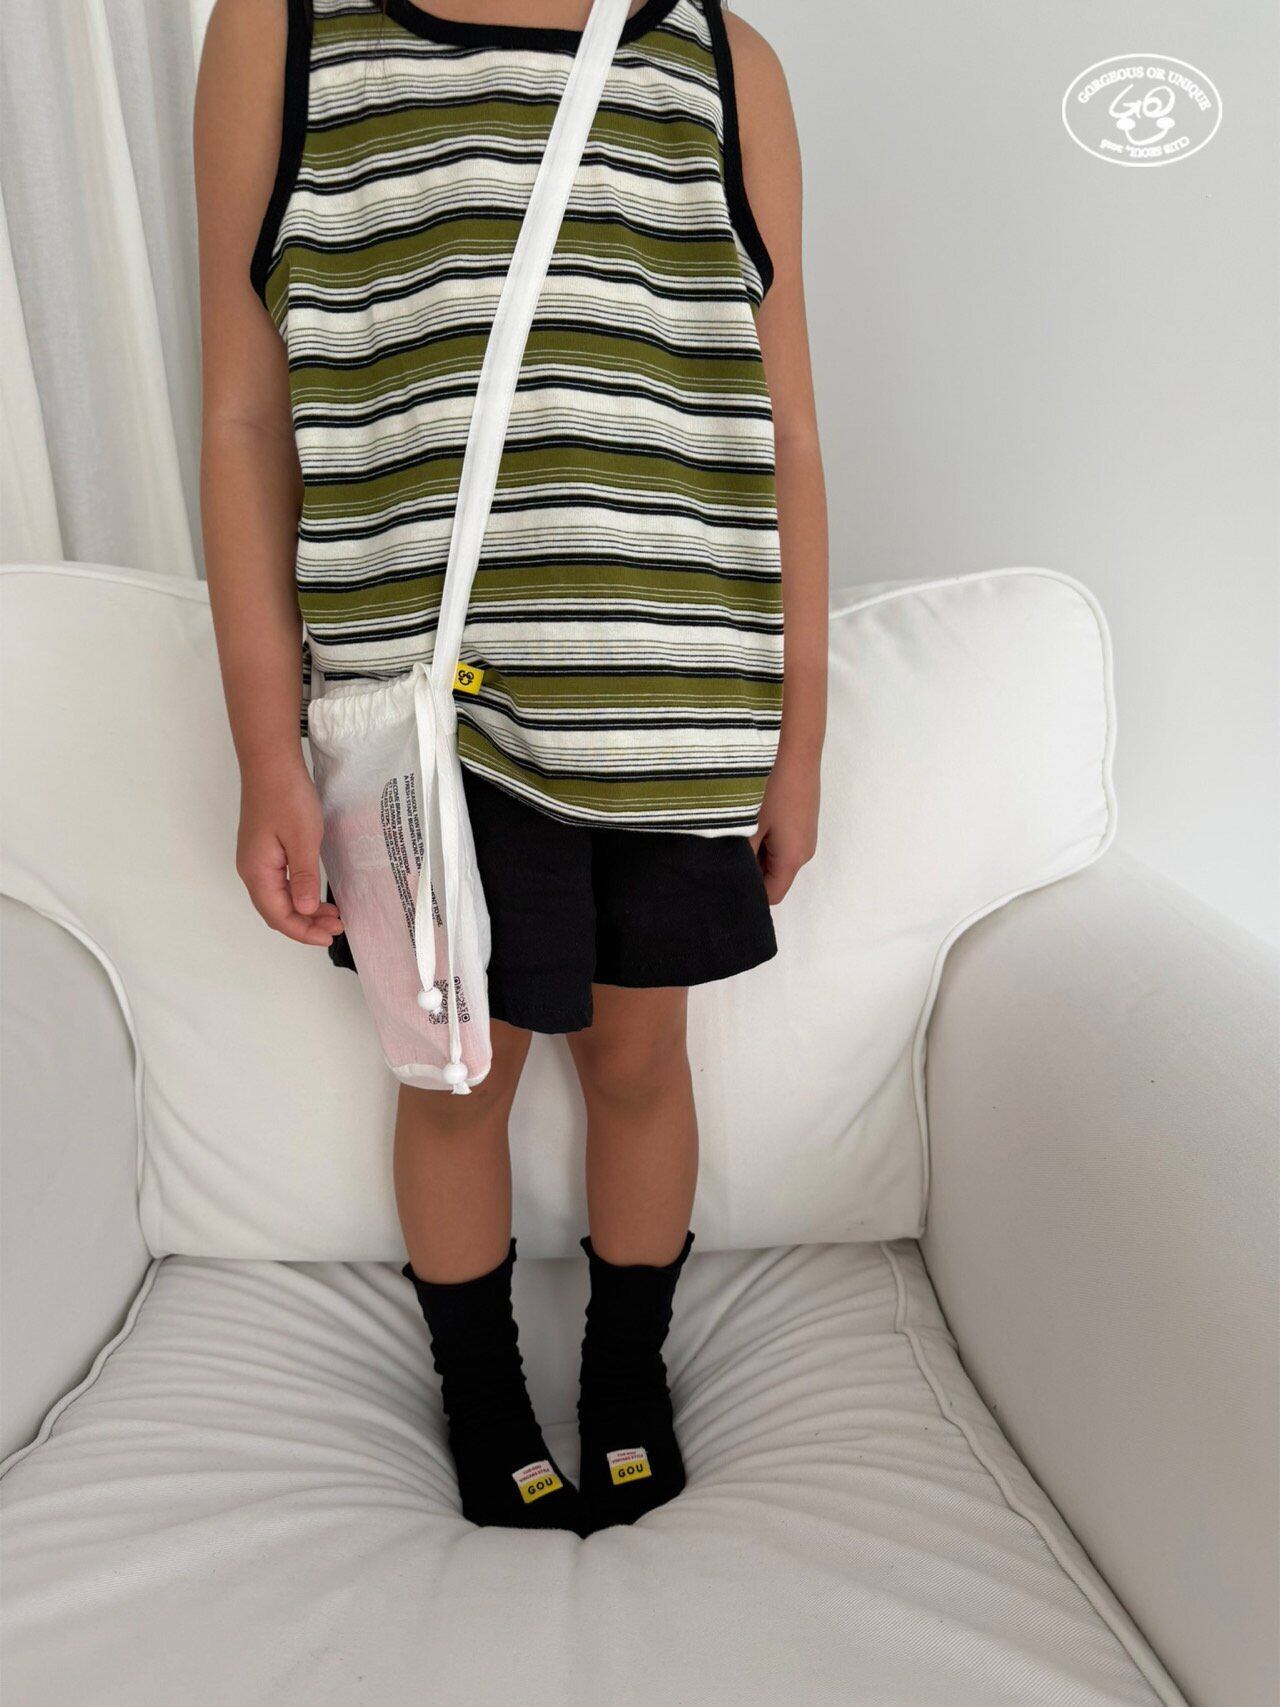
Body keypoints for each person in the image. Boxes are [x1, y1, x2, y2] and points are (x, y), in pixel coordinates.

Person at [193, 0, 827, 1537]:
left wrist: (801, 735)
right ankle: (479, 1388)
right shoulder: (281, 34)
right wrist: (263, 748)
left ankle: (625, 1373)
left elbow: (786, 427)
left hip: (671, 699)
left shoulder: (722, 64)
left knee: (640, 1061)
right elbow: (244, 413)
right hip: (420, 721)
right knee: (455, 1076)